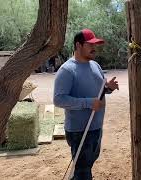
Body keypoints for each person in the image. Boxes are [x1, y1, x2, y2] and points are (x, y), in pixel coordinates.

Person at [53, 28, 119, 180]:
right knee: (83, 171)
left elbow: (99, 91)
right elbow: (59, 99)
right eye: (90, 44)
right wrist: (88, 103)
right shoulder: (67, 70)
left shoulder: (95, 65)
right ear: (78, 45)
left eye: (95, 44)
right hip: (79, 130)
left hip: (96, 126)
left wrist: (107, 87)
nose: (94, 48)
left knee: (86, 165)